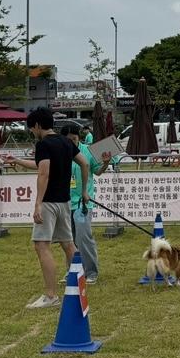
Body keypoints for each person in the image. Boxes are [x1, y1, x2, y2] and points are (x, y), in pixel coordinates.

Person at [25, 106, 93, 310]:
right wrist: (83, 190)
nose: (32, 132)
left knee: (42, 245)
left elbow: (43, 174)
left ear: (37, 125)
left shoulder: (44, 144)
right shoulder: (66, 142)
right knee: (69, 245)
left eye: (31, 128)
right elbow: (85, 164)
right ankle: (80, 287)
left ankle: (50, 295)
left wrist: (37, 203)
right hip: (64, 202)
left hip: (48, 203)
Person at [63, 122, 110, 285]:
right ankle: (72, 270)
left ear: (79, 138)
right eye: (68, 140)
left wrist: (105, 164)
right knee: (69, 239)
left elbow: (96, 171)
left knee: (83, 237)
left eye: (74, 139)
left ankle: (91, 272)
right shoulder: (60, 152)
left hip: (83, 203)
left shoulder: (88, 151)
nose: (71, 142)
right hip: (65, 202)